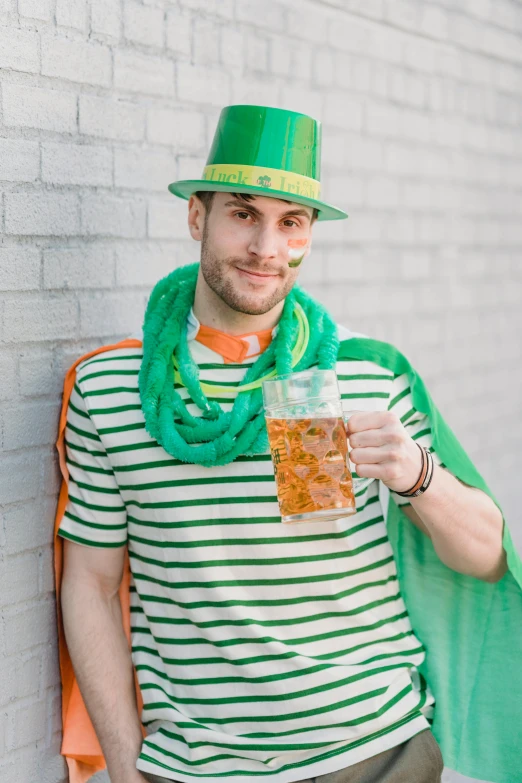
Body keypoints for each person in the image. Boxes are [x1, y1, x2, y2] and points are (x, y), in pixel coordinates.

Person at [53, 105, 522, 783]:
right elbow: (91, 584)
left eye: (291, 222)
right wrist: (127, 769)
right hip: (199, 764)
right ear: (197, 218)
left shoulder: (363, 373)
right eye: (243, 213)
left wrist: (418, 475)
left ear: (309, 238)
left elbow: (487, 558)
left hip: (379, 749)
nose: (265, 248)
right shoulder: (112, 391)